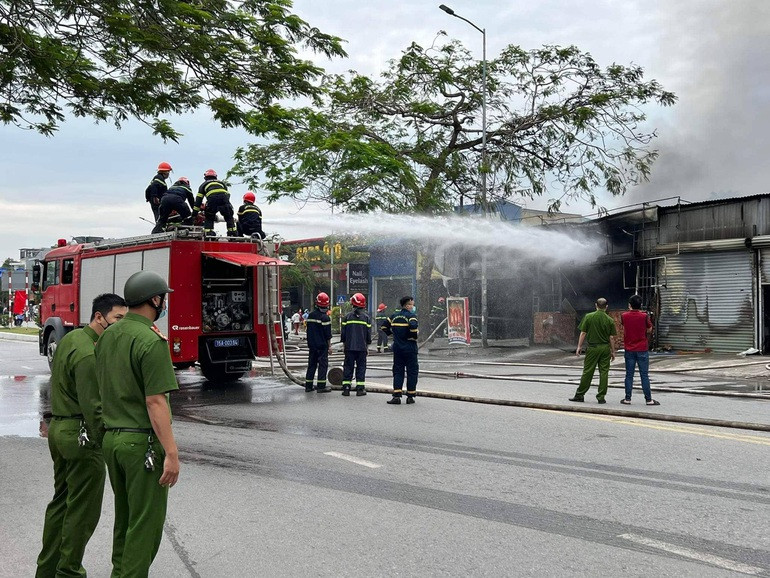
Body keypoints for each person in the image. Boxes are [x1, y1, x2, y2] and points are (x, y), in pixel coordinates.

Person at [36, 294, 128, 578]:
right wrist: (110, 445)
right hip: (81, 436)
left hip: (60, 430)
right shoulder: (89, 352)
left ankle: (47, 569)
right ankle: (69, 571)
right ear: (99, 317)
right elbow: (95, 407)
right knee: (83, 512)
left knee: (61, 503)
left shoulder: (69, 341)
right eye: (117, 319)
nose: (119, 325)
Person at [96, 271, 180, 577]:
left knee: (126, 518)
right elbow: (155, 402)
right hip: (140, 445)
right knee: (145, 528)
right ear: (155, 299)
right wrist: (171, 453)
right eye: (163, 298)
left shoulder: (107, 335)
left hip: (112, 441)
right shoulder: (151, 340)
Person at [570, 297, 617, 404]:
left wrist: (579, 347)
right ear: (607, 307)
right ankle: (601, 397)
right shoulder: (609, 320)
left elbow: (583, 333)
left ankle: (580, 395)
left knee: (588, 372)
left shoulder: (589, 317)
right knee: (604, 372)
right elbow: (611, 338)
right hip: (605, 348)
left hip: (592, 348)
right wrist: (613, 351)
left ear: (596, 305)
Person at [621, 295, 660, 406]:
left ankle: (627, 399)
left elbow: (624, 327)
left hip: (629, 349)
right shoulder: (644, 316)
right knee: (644, 375)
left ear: (630, 305)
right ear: (640, 305)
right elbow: (649, 329)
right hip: (642, 348)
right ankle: (649, 400)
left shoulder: (624, 316)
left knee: (629, 375)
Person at [383, 296, 419, 404]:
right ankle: (410, 396)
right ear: (407, 305)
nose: (412, 306)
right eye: (411, 304)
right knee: (412, 372)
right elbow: (413, 327)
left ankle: (397, 396)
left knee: (398, 372)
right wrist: (413, 336)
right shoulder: (411, 316)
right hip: (410, 349)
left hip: (398, 348)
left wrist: (392, 334)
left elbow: (384, 327)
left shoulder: (394, 316)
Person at [340, 293, 372, 396]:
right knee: (361, 367)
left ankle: (346, 388)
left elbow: (343, 334)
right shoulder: (366, 318)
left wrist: (344, 345)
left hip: (349, 347)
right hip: (362, 348)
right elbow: (368, 334)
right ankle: (360, 389)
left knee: (348, 367)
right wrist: (367, 346)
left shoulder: (347, 317)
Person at [192, 169, 237, 237]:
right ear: (215, 176)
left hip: (212, 201)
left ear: (205, 177)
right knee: (229, 217)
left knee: (209, 217)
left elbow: (198, 200)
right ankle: (232, 234)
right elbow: (227, 194)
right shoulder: (222, 183)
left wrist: (194, 214)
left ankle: (209, 234)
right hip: (224, 201)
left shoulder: (203, 185)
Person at [305, 292, 333, 393]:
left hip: (312, 345)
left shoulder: (310, 315)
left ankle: (308, 386)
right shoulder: (325, 317)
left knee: (311, 365)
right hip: (322, 346)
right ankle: (321, 386)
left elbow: (308, 330)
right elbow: (327, 335)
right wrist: (329, 347)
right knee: (322, 365)